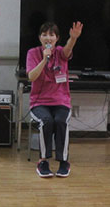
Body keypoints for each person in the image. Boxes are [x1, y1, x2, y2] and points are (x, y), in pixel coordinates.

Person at [26, 20, 82, 178]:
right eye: (44, 35)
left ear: (57, 38)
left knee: (60, 121)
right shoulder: (33, 53)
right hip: (39, 103)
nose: (48, 38)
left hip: (61, 101)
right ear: (39, 38)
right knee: (47, 121)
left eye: (51, 35)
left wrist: (74, 38)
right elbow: (31, 77)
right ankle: (43, 161)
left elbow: (68, 49)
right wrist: (44, 60)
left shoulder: (60, 53)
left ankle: (64, 161)